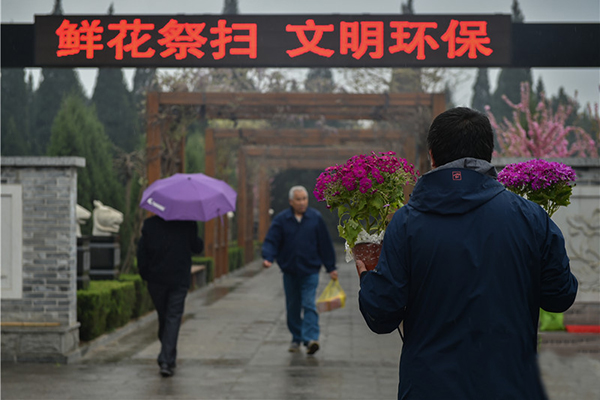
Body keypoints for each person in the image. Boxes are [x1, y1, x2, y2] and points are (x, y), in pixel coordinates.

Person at [356, 107, 578, 399]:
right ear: (490, 153)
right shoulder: (530, 217)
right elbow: (559, 296)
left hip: (429, 387)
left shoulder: (407, 222)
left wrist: (368, 279)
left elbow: (382, 316)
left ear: (432, 155)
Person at [262, 185, 338, 355]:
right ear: (291, 201)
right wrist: (268, 257)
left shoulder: (315, 218)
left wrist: (331, 267)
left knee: (309, 303)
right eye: (298, 199)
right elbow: (271, 241)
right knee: (293, 307)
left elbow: (325, 244)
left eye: (304, 199)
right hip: (290, 271)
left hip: (310, 270)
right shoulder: (282, 220)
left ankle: (311, 338)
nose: (302, 202)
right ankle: (297, 337)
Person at [137, 215, 204, 377]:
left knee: (167, 316)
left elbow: (141, 253)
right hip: (178, 279)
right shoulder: (188, 223)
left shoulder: (150, 224)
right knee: (170, 318)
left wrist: (146, 275)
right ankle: (168, 356)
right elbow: (197, 247)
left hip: (157, 280)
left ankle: (165, 359)